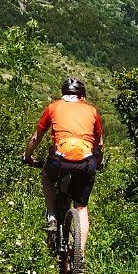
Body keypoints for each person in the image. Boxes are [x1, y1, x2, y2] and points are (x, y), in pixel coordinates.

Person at [23, 77, 104, 258]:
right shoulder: (92, 111)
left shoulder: (53, 107)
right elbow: (99, 143)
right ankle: (80, 254)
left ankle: (52, 216)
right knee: (81, 207)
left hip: (60, 160)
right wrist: (99, 161)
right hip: (86, 162)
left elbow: (37, 137)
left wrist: (27, 156)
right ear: (82, 96)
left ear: (63, 94)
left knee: (46, 175)